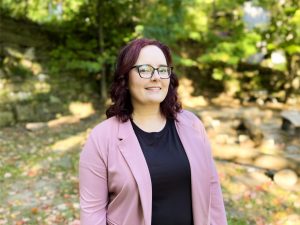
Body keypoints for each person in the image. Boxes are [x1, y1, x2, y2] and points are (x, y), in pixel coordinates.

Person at [79, 38, 227, 225]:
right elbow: (92, 213)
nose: (156, 76)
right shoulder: (101, 138)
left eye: (162, 69)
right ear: (125, 78)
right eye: (145, 69)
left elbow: (212, 191)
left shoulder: (193, 125)